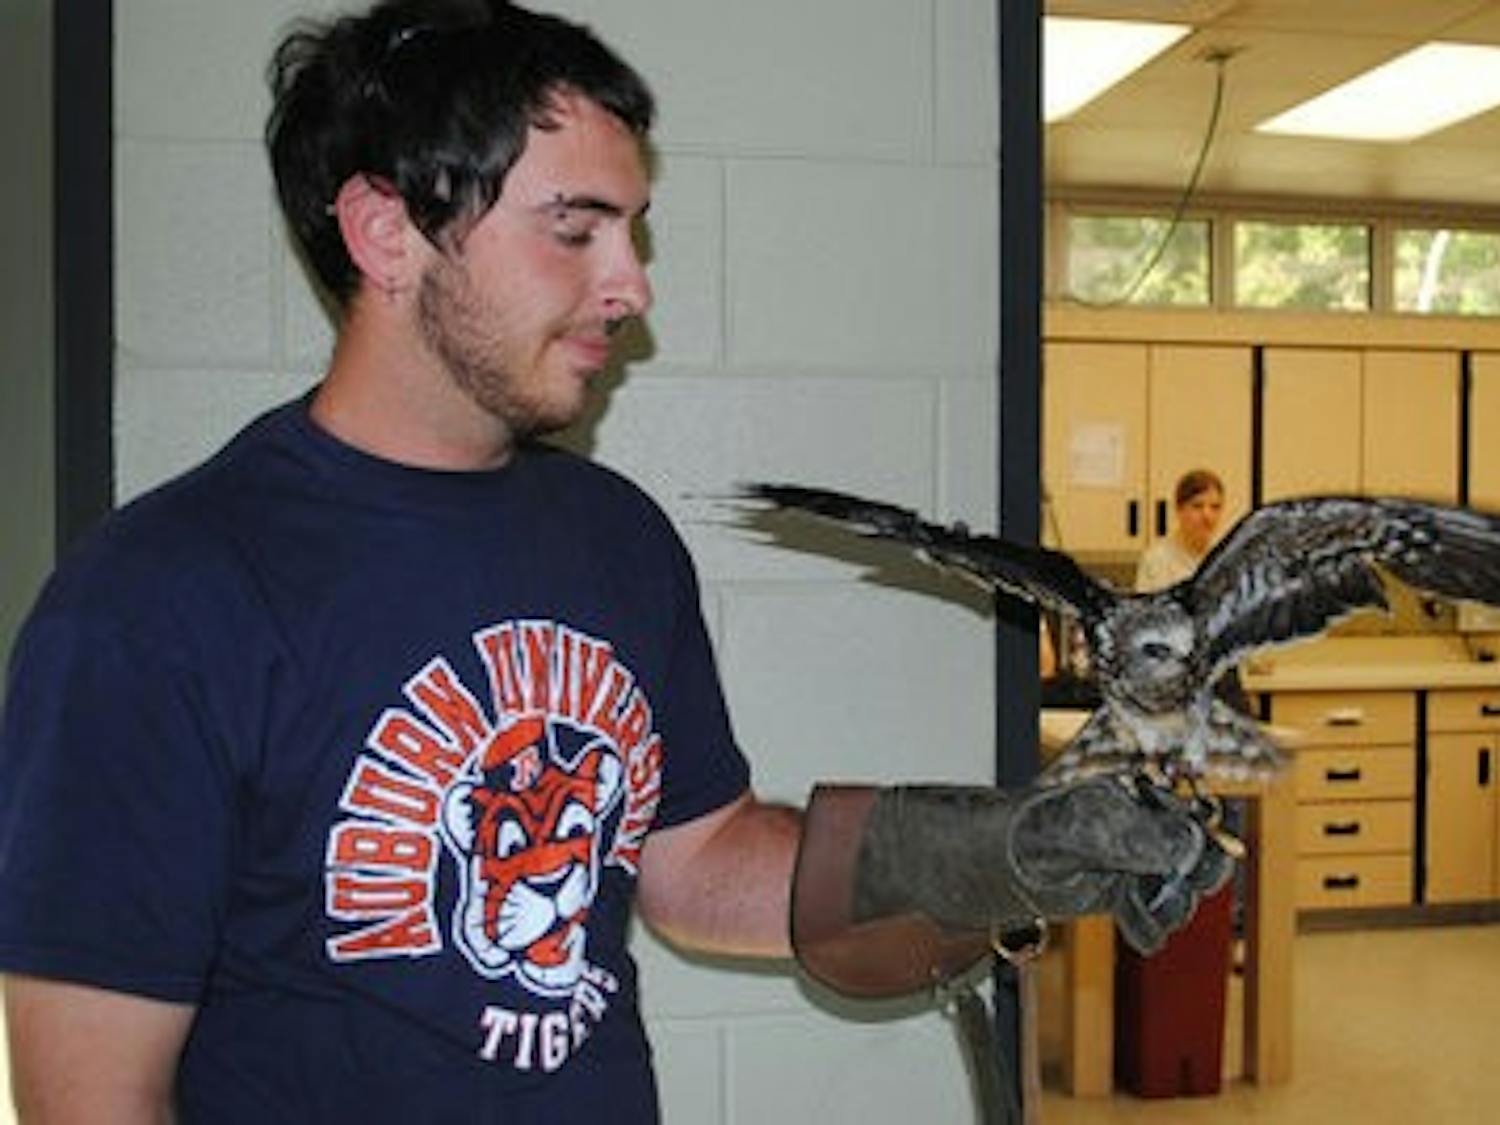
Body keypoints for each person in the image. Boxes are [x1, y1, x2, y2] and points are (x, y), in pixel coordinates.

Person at [0, 3, 1230, 1121]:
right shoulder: (155, 600)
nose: (630, 285)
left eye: (633, 230)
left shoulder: (612, 537)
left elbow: (691, 863)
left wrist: (981, 851)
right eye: (573, 228)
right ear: (386, 232)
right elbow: (90, 1098)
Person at [1135, 468, 1226, 593]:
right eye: (1197, 506)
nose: (1207, 516)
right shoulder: (1156, 560)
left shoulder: (1225, 556)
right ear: (1179, 510)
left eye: (1215, 507)